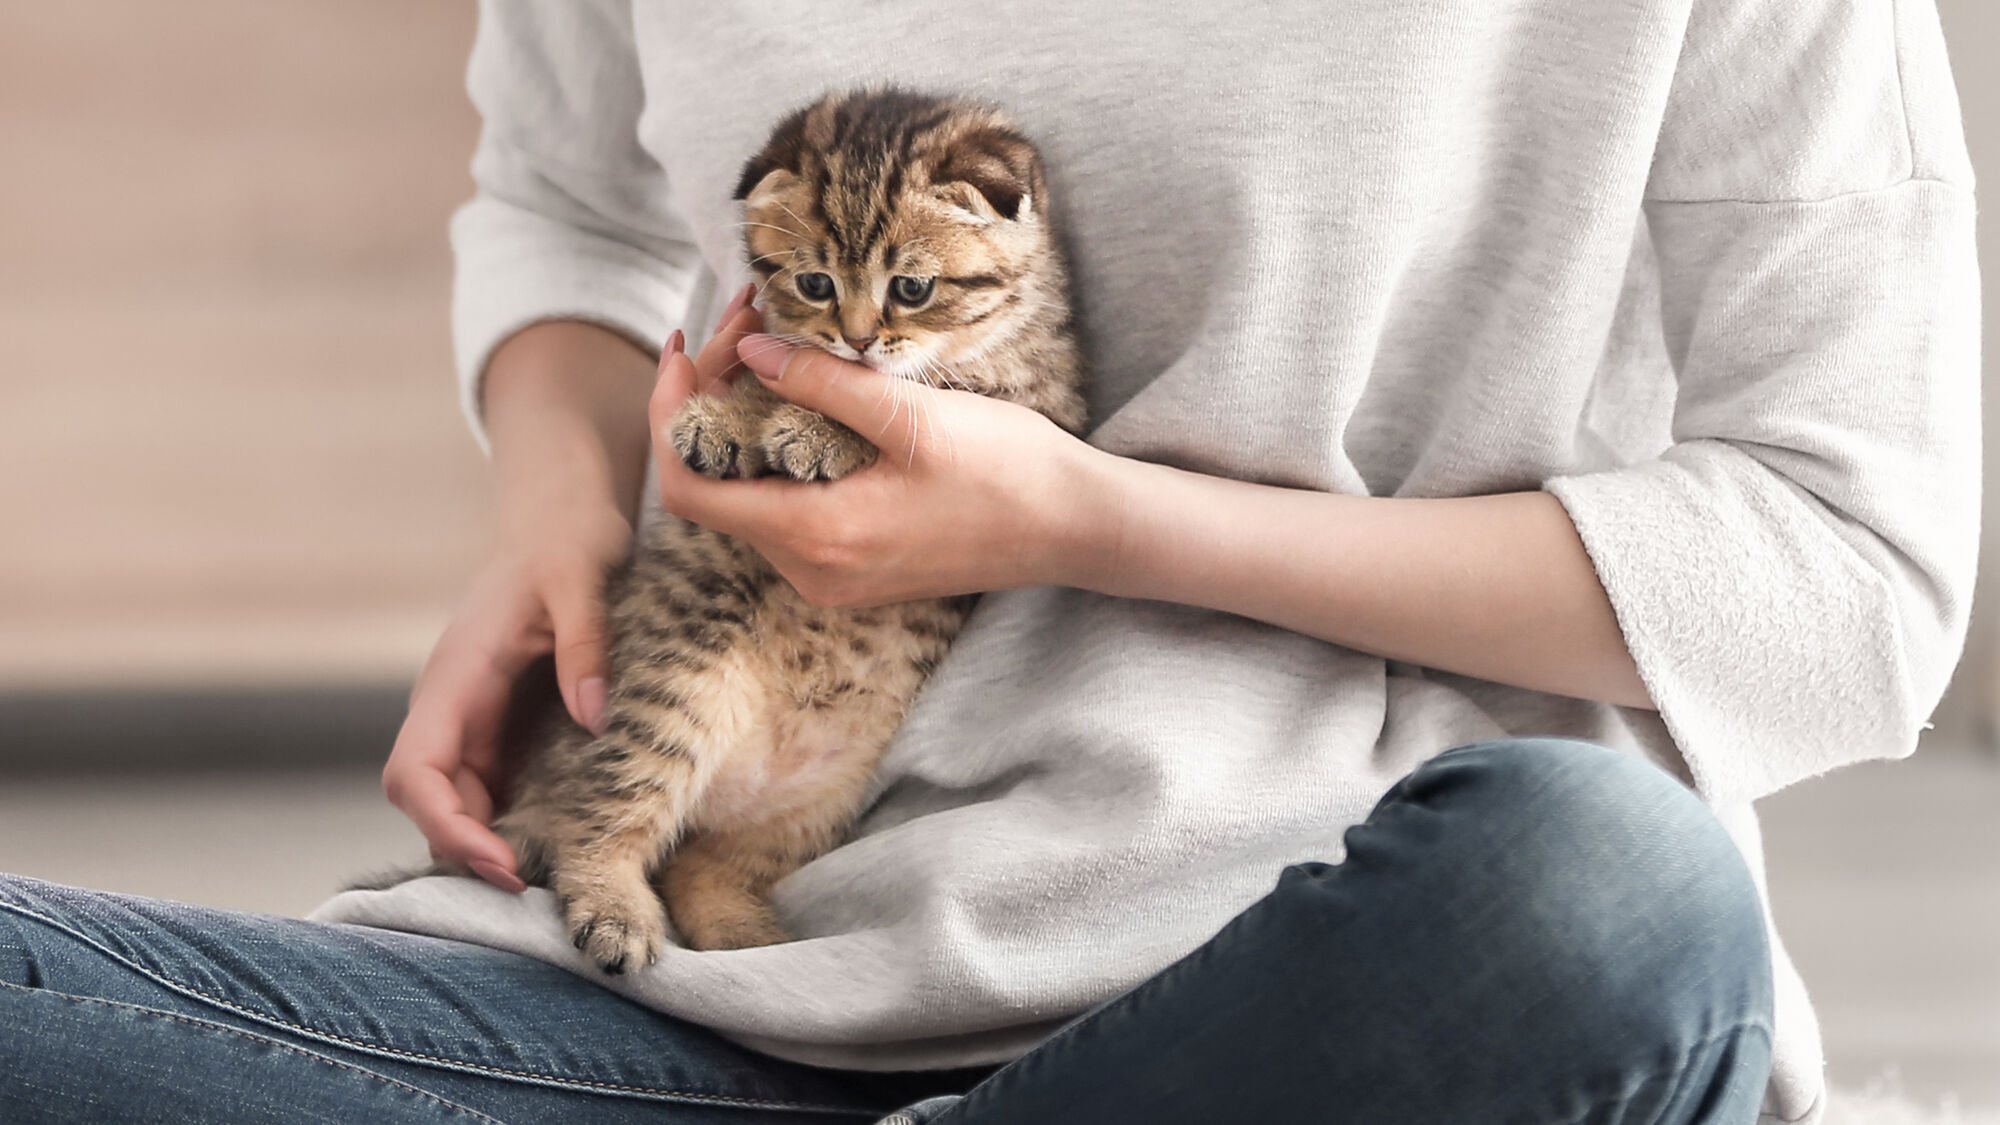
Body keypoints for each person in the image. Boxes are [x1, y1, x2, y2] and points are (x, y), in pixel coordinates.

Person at [0, 2, 1978, 1122]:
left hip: (1330, 1009)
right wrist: (559, 499)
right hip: (703, 1004)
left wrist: (1087, 518)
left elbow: (1847, 587)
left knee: (1601, 900)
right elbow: (563, 195)